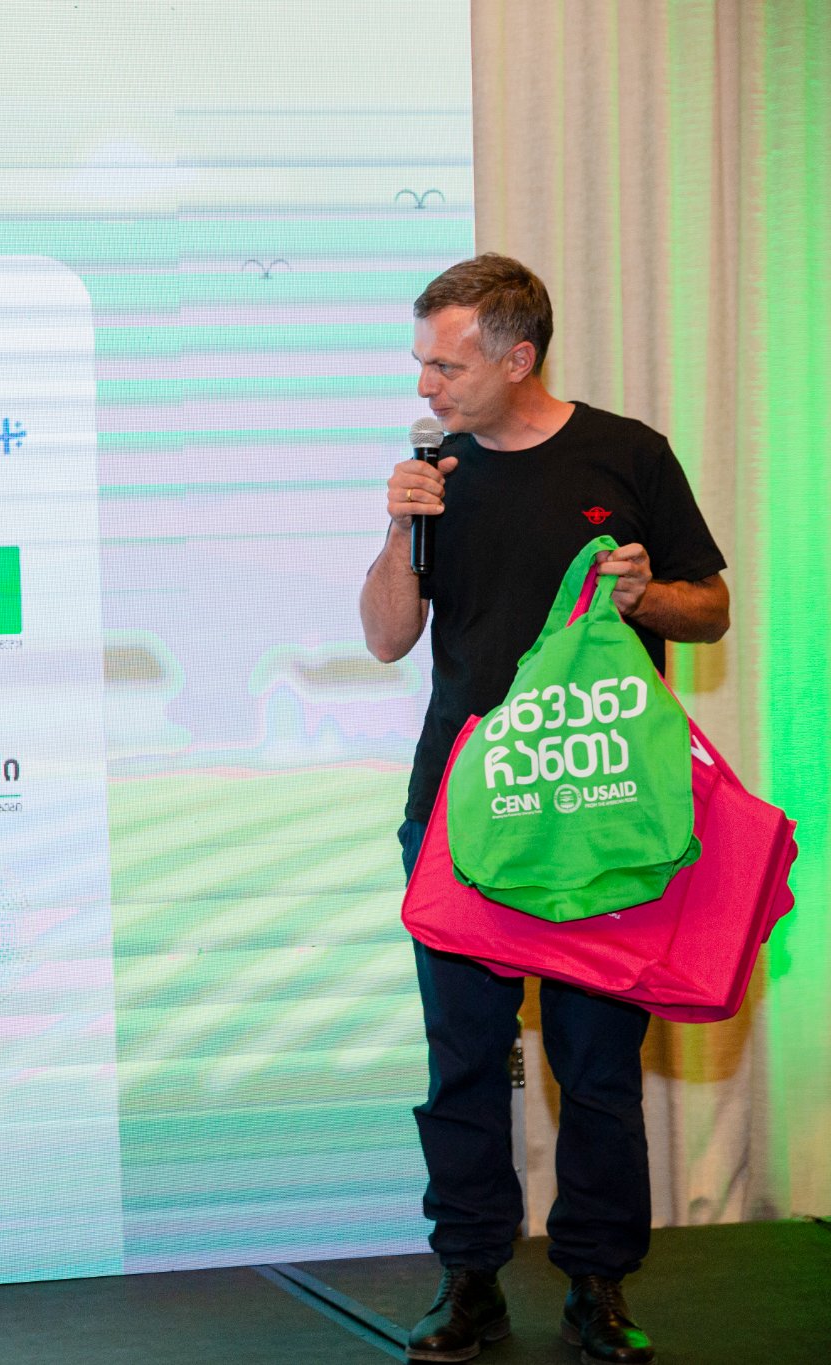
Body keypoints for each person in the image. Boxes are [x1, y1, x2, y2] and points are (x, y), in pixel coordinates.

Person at [360, 254, 729, 1365]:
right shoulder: (435, 474)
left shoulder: (628, 455)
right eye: (421, 363)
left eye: (446, 366)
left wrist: (646, 595)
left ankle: (596, 1285)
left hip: (599, 808)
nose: (426, 386)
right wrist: (398, 530)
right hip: (461, 813)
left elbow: (708, 608)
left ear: (517, 358)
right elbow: (386, 637)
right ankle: (468, 1278)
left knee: (597, 1065)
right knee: (464, 1059)